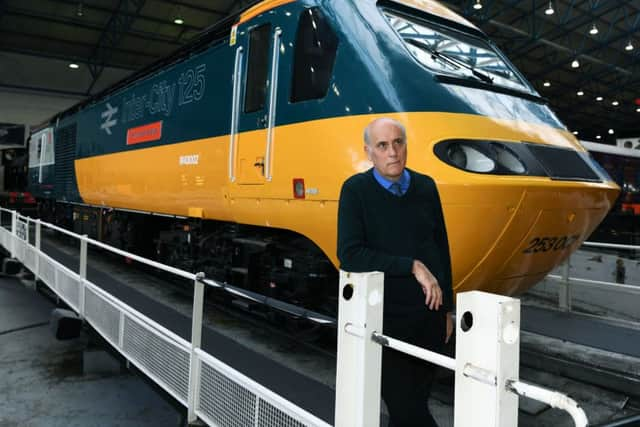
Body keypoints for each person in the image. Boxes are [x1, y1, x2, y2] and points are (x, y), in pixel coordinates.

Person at [337, 117, 453, 427]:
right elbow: (349, 256)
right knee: (408, 410)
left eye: (398, 143)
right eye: (383, 145)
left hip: (429, 320)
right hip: (384, 323)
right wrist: (411, 266)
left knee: (412, 407)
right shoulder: (355, 191)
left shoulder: (426, 187)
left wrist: (448, 310)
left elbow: (441, 250)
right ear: (368, 152)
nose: (393, 152)